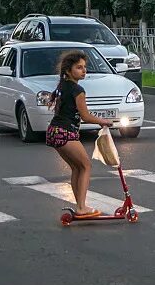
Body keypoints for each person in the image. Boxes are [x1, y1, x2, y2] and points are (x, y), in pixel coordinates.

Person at [44, 50, 116, 219]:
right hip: (65, 132)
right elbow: (85, 116)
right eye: (79, 67)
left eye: (85, 67)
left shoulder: (63, 86)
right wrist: (102, 121)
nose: (84, 70)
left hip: (54, 132)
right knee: (86, 166)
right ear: (68, 71)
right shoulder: (78, 90)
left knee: (77, 167)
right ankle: (82, 207)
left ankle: (80, 206)